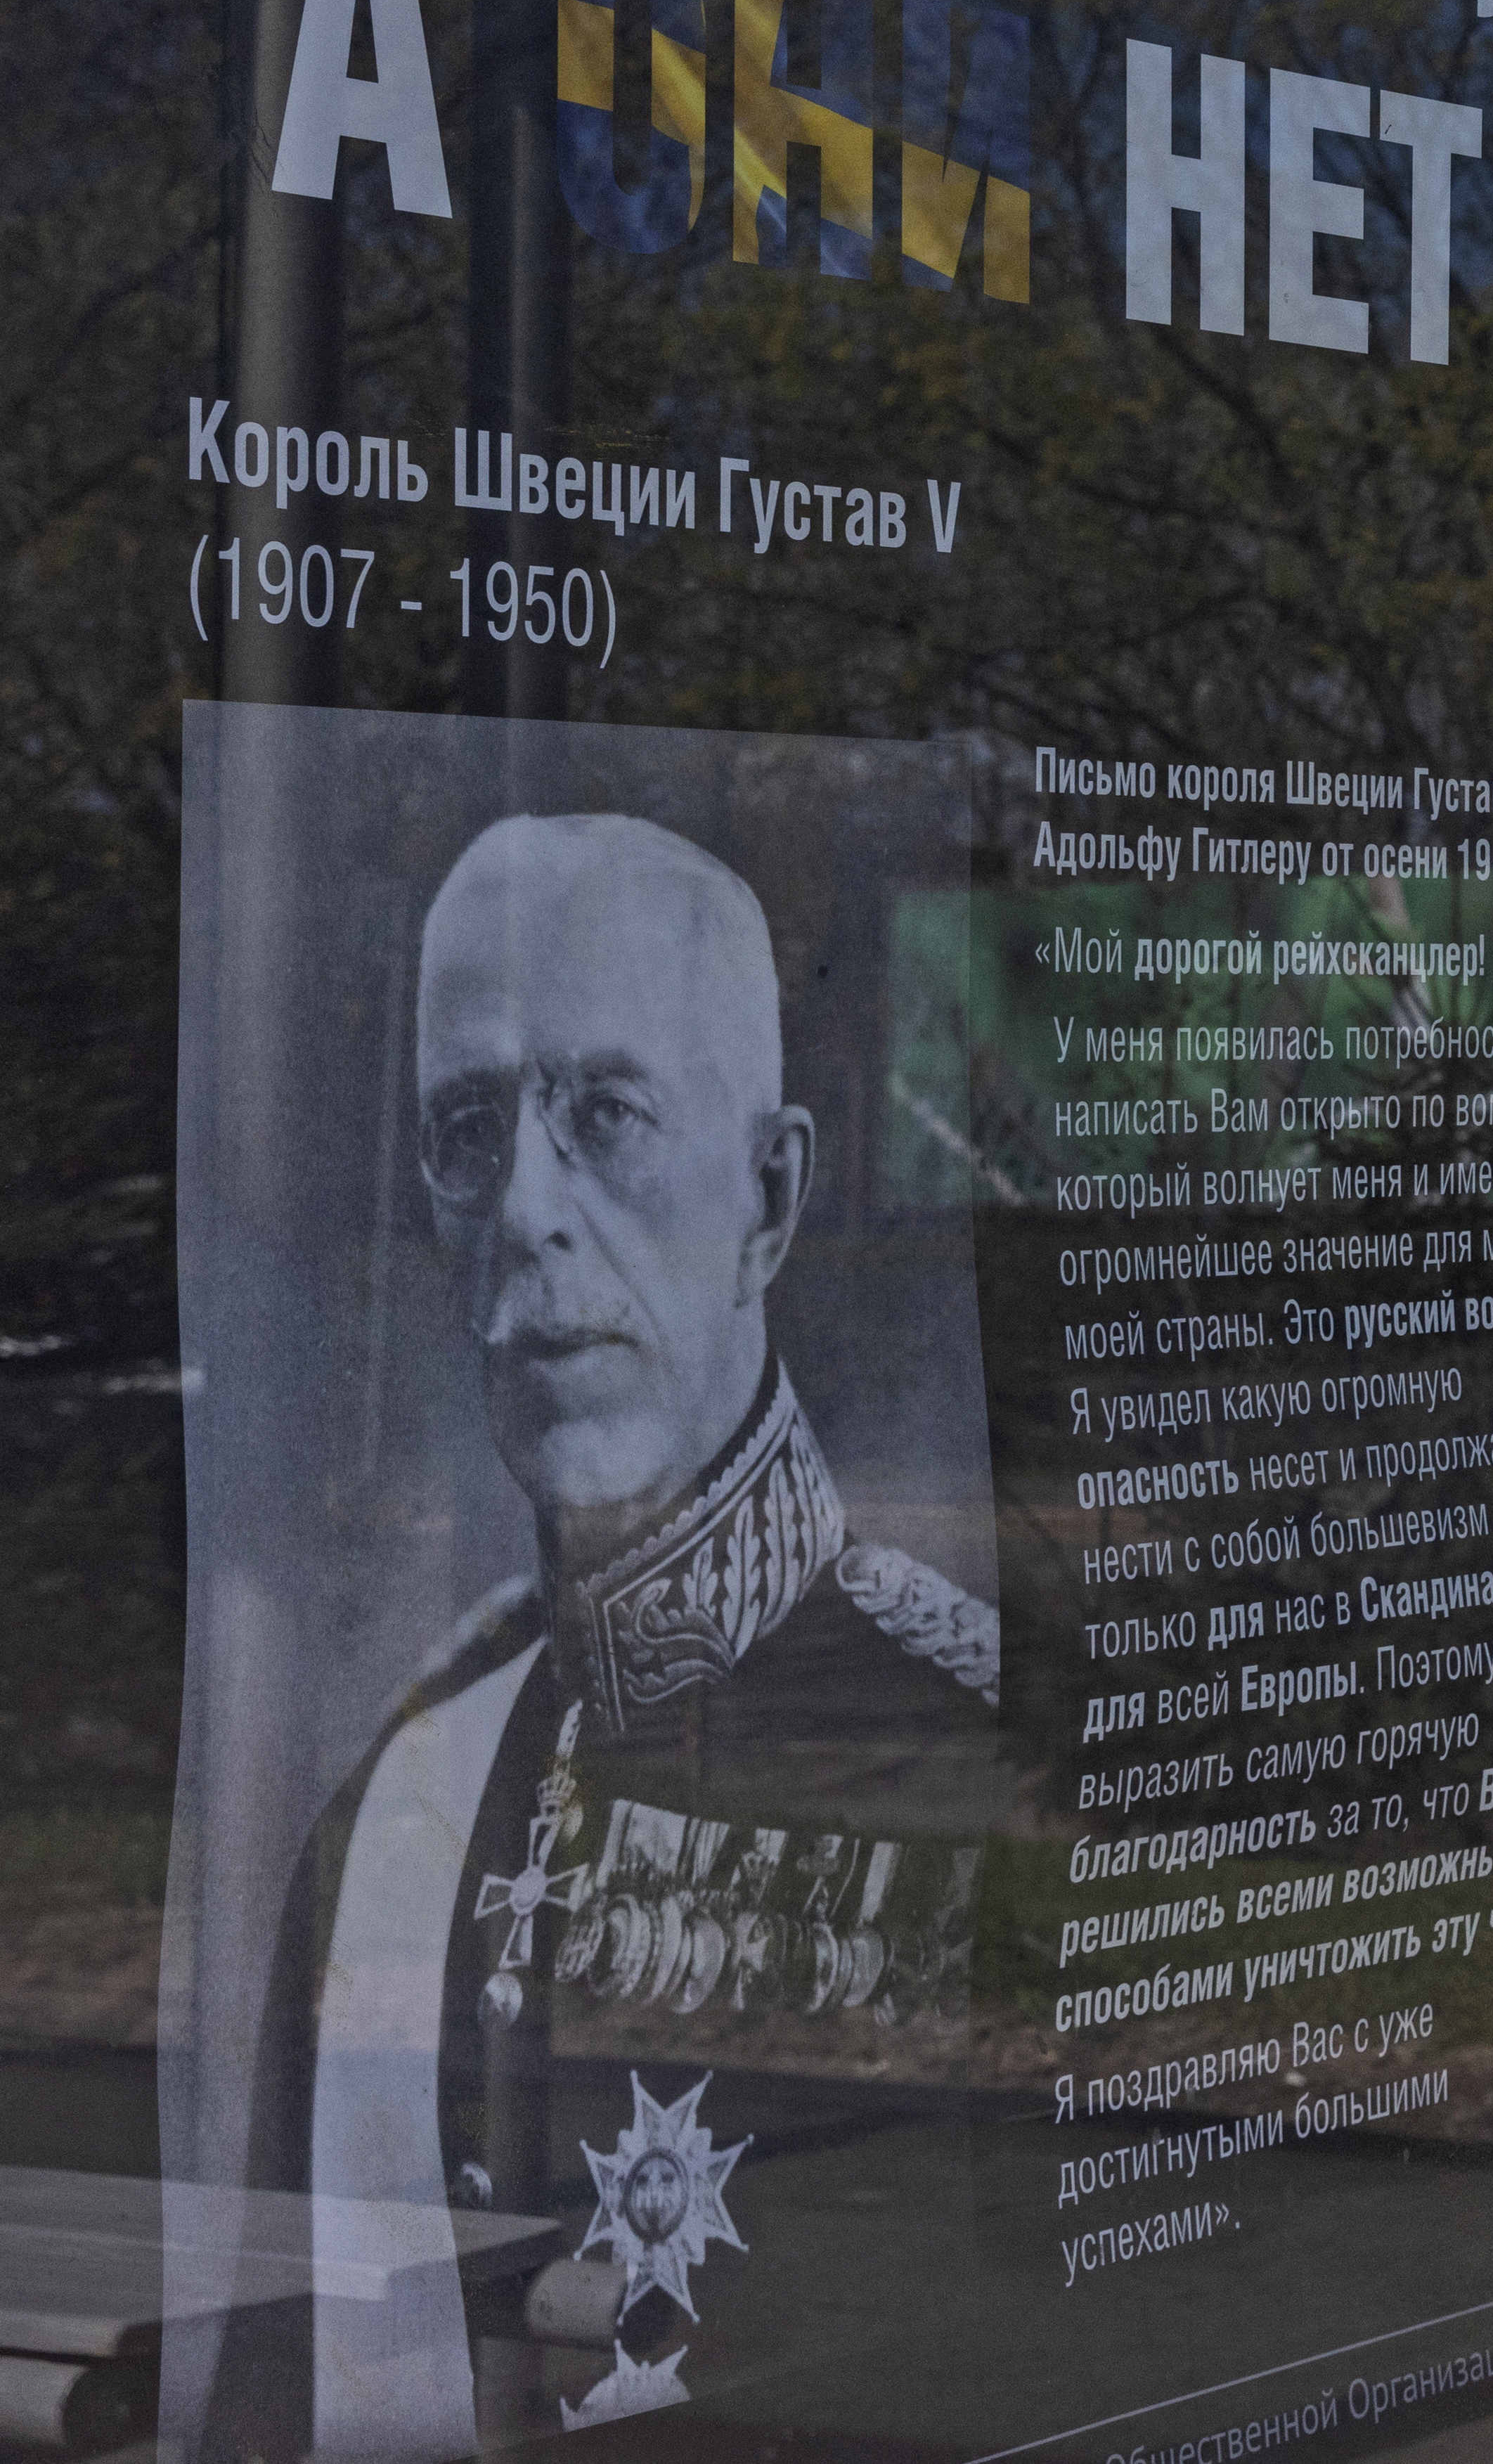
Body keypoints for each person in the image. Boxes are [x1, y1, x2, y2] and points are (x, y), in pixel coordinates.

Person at [237, 815, 998, 2457]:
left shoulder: (962, 1740)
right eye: (469, 1128)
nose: (528, 1207)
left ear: (770, 1197)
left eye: (606, 1113)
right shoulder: (403, 1796)